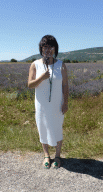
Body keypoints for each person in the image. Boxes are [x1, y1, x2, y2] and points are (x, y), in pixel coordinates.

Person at [28, 35, 69, 169]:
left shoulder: (61, 65)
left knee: (57, 127)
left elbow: (65, 85)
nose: (48, 50)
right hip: (42, 105)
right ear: (41, 49)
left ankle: (57, 155)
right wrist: (42, 77)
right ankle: (46, 155)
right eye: (45, 47)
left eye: (51, 47)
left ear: (55, 49)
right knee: (43, 127)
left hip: (57, 103)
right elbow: (30, 84)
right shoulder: (35, 64)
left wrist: (65, 102)